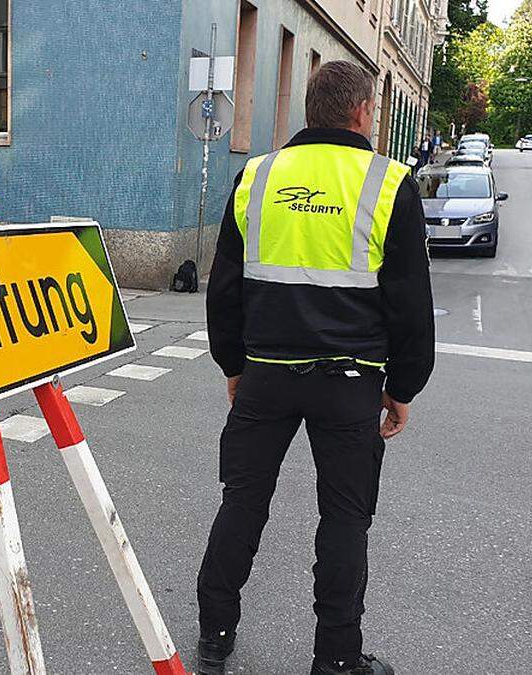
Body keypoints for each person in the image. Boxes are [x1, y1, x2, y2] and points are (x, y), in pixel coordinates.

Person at [195, 60, 435, 675]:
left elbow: (224, 288)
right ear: (361, 113)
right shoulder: (388, 183)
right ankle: (336, 661)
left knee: (242, 502)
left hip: (266, 375)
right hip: (351, 382)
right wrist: (403, 387)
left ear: (310, 110)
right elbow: (409, 301)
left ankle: (214, 635)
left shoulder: (258, 176)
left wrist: (232, 364)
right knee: (345, 521)